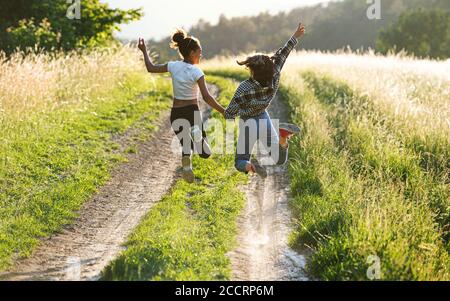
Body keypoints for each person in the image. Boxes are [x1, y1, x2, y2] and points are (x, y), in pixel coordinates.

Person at [138, 29, 225, 183]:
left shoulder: (173, 66)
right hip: (191, 113)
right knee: (205, 153)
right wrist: (222, 111)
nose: (201, 55)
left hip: (176, 113)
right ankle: (196, 133)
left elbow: (151, 68)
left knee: (187, 147)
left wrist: (144, 51)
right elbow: (206, 96)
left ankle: (186, 166)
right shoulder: (197, 71)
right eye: (199, 51)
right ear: (192, 52)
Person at [224, 22, 306, 177]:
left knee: (240, 161)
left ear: (252, 70)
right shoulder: (274, 74)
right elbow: (283, 53)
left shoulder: (244, 88)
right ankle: (283, 137)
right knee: (279, 158)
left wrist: (228, 114)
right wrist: (295, 36)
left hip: (248, 122)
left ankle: (250, 164)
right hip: (263, 117)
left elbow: (230, 113)